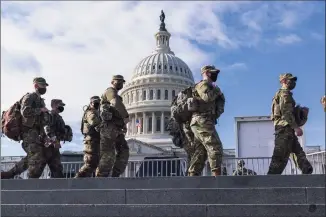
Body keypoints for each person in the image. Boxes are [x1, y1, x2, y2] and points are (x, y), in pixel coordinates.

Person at [1, 98, 68, 179]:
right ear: (54, 106)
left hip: (53, 148)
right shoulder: (48, 115)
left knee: (56, 169)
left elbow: (60, 130)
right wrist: (54, 140)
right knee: (34, 166)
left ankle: (59, 186)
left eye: (62, 106)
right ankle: (11, 175)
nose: (61, 108)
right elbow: (46, 128)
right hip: (46, 146)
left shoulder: (58, 118)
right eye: (59, 106)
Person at [268, 73, 313, 174]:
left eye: (293, 81)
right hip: (284, 129)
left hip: (287, 129)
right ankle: (270, 181)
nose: (292, 83)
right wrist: (296, 127)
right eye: (290, 80)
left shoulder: (284, 94)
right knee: (279, 157)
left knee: (299, 153)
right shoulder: (285, 94)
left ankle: (307, 172)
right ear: (283, 81)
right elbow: (286, 113)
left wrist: (303, 115)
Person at [187, 65, 225, 176]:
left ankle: (192, 177)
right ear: (207, 73)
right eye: (214, 72)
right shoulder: (202, 85)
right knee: (215, 146)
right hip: (202, 121)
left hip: (202, 121)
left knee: (201, 153)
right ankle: (217, 178)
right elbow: (207, 98)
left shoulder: (210, 86)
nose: (216, 75)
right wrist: (217, 90)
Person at [96, 75, 129, 177]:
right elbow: (115, 102)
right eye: (117, 81)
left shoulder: (117, 96)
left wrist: (123, 125)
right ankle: (100, 179)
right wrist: (126, 116)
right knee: (107, 155)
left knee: (124, 152)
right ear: (112, 82)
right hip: (108, 129)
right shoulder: (110, 91)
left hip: (117, 129)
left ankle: (115, 176)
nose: (120, 83)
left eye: (122, 82)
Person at [75, 96, 101, 178]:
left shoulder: (96, 112)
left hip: (95, 140)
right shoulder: (90, 112)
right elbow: (94, 122)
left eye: (98, 103)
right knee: (91, 163)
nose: (96, 104)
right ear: (91, 103)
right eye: (95, 103)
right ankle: (77, 179)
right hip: (91, 141)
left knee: (95, 162)